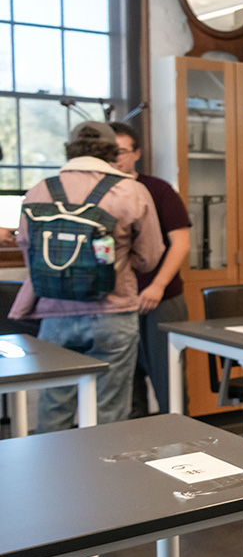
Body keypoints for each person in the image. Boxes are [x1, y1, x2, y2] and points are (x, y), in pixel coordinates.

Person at [10, 121, 164, 432]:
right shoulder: (131, 190)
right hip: (114, 311)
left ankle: (52, 476)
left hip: (53, 312)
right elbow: (150, 257)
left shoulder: (40, 189)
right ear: (111, 152)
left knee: (54, 403)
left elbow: (29, 249)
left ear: (70, 149)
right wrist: (118, 263)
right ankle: (106, 478)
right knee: (110, 409)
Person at [109, 122, 192, 417]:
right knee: (126, 388)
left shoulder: (157, 189)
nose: (115, 158)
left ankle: (184, 447)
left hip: (160, 298)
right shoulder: (101, 193)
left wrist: (157, 285)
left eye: (120, 151)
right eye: (108, 152)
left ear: (136, 153)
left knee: (168, 382)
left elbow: (180, 243)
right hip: (117, 303)